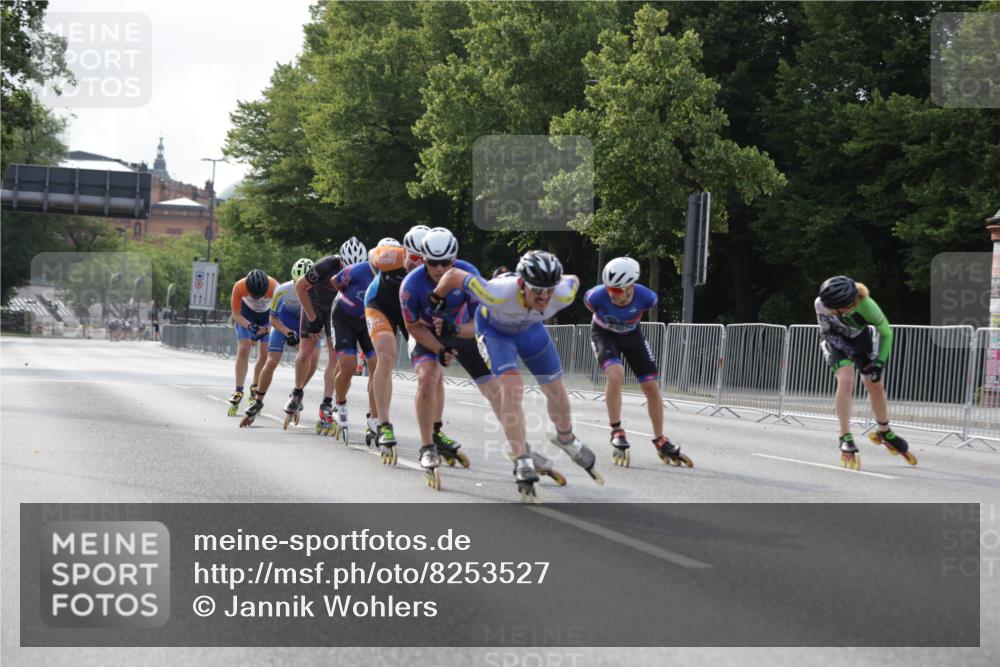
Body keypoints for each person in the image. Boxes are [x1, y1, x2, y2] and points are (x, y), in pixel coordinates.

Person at [432, 250, 602, 501]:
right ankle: (521, 457)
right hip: (495, 333)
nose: (544, 297)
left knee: (556, 389)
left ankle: (565, 438)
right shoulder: (495, 291)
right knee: (513, 388)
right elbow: (455, 274)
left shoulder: (563, 293)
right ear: (521, 284)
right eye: (537, 290)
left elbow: (573, 278)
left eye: (548, 290)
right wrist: (435, 298)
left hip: (531, 331)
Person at [399, 227, 503, 483]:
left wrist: (455, 329)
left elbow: (484, 321)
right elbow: (412, 327)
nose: (439, 268)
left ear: (454, 259)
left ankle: (522, 448)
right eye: (433, 262)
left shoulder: (470, 275)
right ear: (423, 260)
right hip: (426, 333)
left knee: (494, 389)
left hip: (461, 329)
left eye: (446, 262)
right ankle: (426, 446)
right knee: (428, 376)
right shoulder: (410, 286)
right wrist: (440, 349)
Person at [584, 257, 692, 468]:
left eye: (617, 291)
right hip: (604, 335)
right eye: (609, 290)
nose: (611, 295)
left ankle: (660, 439)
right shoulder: (595, 296)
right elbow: (592, 308)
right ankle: (616, 430)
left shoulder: (647, 297)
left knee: (651, 387)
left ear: (631, 286)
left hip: (632, 336)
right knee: (616, 376)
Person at [816, 275, 916, 468]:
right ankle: (845, 436)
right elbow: (827, 332)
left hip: (860, 339)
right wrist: (851, 352)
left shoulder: (867, 306)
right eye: (837, 308)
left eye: (846, 306)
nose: (846, 309)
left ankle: (884, 431)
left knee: (875, 384)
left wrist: (879, 364)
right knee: (846, 380)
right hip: (835, 340)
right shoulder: (821, 303)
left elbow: (886, 333)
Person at [364, 227, 428, 463]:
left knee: (426, 363)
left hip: (408, 309)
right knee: (387, 356)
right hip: (379, 304)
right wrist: (379, 278)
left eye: (424, 260)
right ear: (405, 252)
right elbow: (372, 257)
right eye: (413, 258)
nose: (417, 264)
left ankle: (434, 430)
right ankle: (384, 423)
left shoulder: (438, 266)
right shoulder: (390, 255)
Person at [240, 258, 318, 428]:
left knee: (313, 359)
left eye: (306, 284)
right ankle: (258, 400)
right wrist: (288, 332)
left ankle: (297, 393)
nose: (301, 288)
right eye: (298, 283)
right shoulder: (282, 289)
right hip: (284, 322)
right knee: (272, 360)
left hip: (305, 322)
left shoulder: (318, 291)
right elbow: (272, 318)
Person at [328, 236, 380, 442]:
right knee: (348, 366)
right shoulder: (358, 269)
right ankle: (339, 404)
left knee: (377, 365)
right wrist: (348, 297)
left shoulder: (393, 276)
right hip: (343, 318)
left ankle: (374, 416)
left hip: (367, 321)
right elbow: (335, 281)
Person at [290, 253, 343, 430]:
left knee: (335, 355)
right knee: (305, 351)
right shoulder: (326, 265)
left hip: (335, 307)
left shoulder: (359, 269)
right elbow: (300, 287)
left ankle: (327, 402)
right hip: (314, 304)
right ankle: (297, 392)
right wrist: (312, 319)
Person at [228, 269, 278, 416]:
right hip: (246, 314)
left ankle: (255, 386)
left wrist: (267, 328)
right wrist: (250, 326)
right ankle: (238, 390)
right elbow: (236, 314)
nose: (256, 298)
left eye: (260, 296)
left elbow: (279, 315)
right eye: (253, 296)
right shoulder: (239, 286)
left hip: (267, 316)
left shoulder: (275, 288)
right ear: (248, 290)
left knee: (264, 353)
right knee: (244, 349)